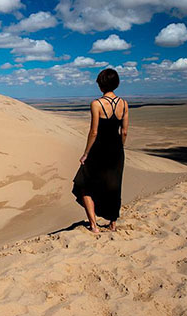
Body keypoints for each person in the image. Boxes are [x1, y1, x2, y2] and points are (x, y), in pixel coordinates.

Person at [72, 68, 129, 233]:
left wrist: (86, 153)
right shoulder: (124, 104)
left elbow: (94, 132)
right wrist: (120, 147)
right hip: (117, 150)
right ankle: (112, 224)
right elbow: (124, 131)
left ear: (101, 84)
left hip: (99, 150)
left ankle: (94, 226)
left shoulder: (96, 104)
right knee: (114, 186)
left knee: (84, 185)